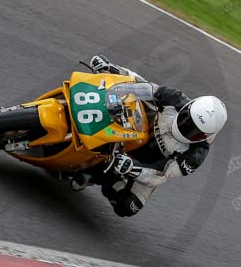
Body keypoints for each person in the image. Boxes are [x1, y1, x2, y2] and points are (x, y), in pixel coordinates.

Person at [76, 55, 228, 217]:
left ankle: (98, 176)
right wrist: (113, 70)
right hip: (134, 127)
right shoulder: (176, 99)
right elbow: (144, 86)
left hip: (147, 164)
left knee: (128, 205)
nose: (186, 128)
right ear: (188, 107)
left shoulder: (194, 157)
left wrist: (133, 167)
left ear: (205, 136)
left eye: (194, 131)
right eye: (186, 120)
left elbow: (161, 175)